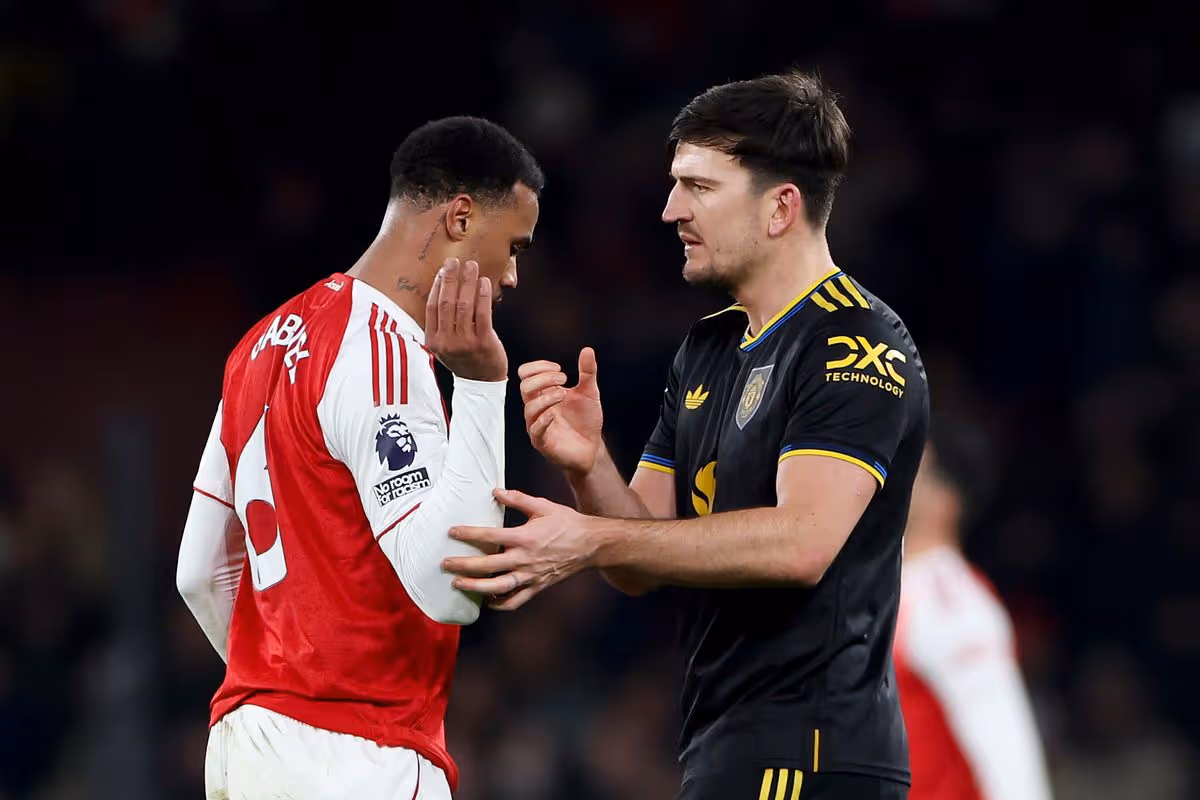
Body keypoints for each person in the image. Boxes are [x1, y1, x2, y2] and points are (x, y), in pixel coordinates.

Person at [445, 71, 928, 800]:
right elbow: (639, 560)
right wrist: (589, 465)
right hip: (723, 742)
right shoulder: (706, 350)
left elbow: (803, 544)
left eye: (699, 187)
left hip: (814, 751)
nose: (671, 209)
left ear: (780, 208)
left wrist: (590, 538)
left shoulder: (853, 341)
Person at [175, 116, 542, 800]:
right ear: (460, 217)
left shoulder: (259, 344)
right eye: (513, 245)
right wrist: (484, 386)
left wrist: (282, 691)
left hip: (246, 746)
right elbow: (450, 588)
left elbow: (198, 571)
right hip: (356, 754)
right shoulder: (382, 353)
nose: (513, 275)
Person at [893, 420, 1054, 800]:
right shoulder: (882, 586)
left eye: (911, 466)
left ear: (945, 499)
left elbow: (1007, 751)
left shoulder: (952, 603)